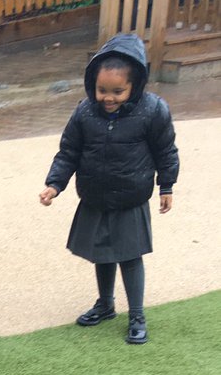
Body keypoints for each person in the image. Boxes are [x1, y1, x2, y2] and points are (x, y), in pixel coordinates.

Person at [40, 32, 179, 346]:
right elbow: (69, 151)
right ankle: (105, 304)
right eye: (102, 90)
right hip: (96, 195)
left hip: (131, 197)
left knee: (130, 257)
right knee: (101, 254)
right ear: (93, 83)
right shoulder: (85, 112)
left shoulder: (153, 110)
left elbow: (166, 151)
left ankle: (137, 315)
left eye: (118, 91)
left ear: (135, 85)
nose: (109, 98)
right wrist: (54, 184)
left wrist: (166, 185)